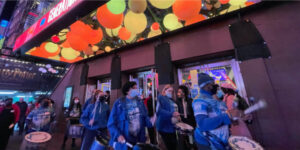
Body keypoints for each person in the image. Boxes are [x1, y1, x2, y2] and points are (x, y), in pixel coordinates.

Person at [192, 73, 240, 150]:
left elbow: (220, 116)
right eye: (212, 84)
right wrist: (226, 117)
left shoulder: (215, 99)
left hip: (221, 142)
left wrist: (233, 119)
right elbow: (202, 124)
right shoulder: (199, 101)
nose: (214, 86)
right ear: (205, 85)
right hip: (208, 142)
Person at [107, 81, 153, 149]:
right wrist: (118, 135)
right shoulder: (119, 103)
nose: (136, 90)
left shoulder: (140, 102)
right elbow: (111, 123)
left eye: (136, 88)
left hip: (139, 140)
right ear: (127, 91)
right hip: (124, 141)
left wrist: (151, 120)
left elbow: (145, 119)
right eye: (134, 88)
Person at [156, 84, 179, 150]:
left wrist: (177, 116)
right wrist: (171, 114)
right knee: (170, 146)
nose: (170, 92)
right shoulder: (161, 97)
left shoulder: (172, 100)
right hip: (164, 126)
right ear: (165, 90)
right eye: (169, 91)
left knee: (174, 145)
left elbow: (174, 111)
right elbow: (159, 110)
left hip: (172, 127)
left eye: (172, 91)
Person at [176, 85, 196, 150]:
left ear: (184, 93)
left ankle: (192, 147)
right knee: (182, 140)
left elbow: (193, 112)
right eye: (178, 92)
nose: (178, 93)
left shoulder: (190, 101)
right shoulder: (177, 102)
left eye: (180, 92)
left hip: (190, 121)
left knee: (191, 140)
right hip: (182, 122)